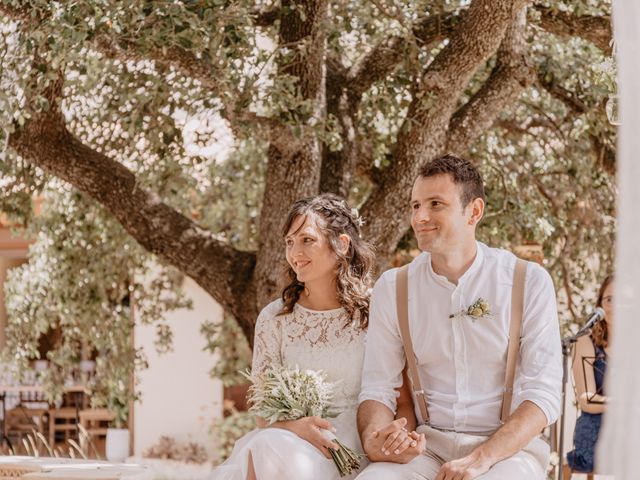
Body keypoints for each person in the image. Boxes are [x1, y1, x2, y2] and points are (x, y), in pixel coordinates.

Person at [356, 154, 563, 480]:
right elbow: (378, 387)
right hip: (425, 448)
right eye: (415, 206)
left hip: (506, 453)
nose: (420, 216)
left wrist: (481, 459)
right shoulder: (392, 287)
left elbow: (544, 394)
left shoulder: (528, 281)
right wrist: (375, 439)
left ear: (474, 211)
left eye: (435, 204)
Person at [211, 193, 416, 480]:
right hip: (292, 441)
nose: (295, 253)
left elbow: (403, 398)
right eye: (289, 243)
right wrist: (293, 427)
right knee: (265, 446)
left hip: (359, 445)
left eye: (307, 240)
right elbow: (261, 411)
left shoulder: (377, 311)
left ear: (342, 245)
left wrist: (396, 438)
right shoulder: (274, 320)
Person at [564, 276, 613, 477]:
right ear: (600, 304)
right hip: (597, 427)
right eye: (609, 299)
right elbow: (587, 401)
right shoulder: (586, 341)